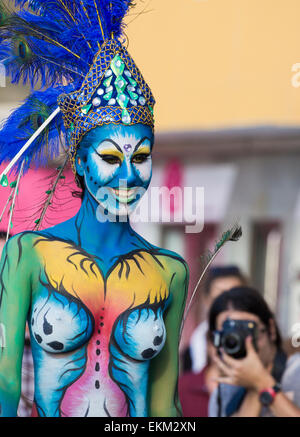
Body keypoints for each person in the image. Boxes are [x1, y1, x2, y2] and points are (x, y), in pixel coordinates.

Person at [0, 1, 189, 417]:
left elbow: (164, 405)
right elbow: (6, 381)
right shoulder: (25, 255)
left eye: (140, 157)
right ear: (82, 163)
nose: (128, 175)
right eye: (110, 157)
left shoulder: (170, 271)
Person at [208, 286, 300, 417]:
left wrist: (262, 382)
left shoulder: (296, 372)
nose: (241, 341)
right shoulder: (224, 392)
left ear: (271, 329)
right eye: (230, 334)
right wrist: (253, 386)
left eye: (247, 331)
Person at [184, 266, 247, 373]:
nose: (229, 307)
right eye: (220, 300)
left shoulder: (262, 342)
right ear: (206, 300)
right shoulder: (189, 353)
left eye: (237, 299)